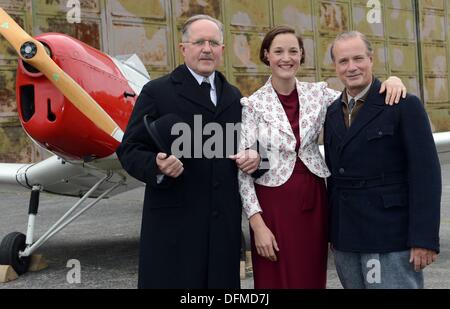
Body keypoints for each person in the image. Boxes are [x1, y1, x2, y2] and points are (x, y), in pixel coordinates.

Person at [238, 25, 407, 289]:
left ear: (301, 55)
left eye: (293, 51)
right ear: (266, 55)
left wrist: (392, 79)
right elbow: (243, 174)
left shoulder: (319, 95)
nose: (287, 58)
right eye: (279, 51)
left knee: (311, 278)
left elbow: (361, 94)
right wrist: (256, 224)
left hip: (314, 202)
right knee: (275, 280)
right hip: (273, 209)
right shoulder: (252, 104)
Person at [116, 14, 261, 289]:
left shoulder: (234, 97)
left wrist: (255, 155)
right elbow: (129, 149)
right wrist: (156, 164)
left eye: (213, 43)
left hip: (222, 232)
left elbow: (250, 146)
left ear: (222, 50)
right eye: (199, 42)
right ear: (184, 48)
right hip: (174, 231)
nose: (207, 48)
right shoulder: (157, 92)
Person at [324, 31, 441, 289]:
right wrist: (334, 232)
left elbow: (426, 176)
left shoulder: (402, 104)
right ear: (335, 66)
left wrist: (424, 238)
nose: (351, 67)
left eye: (358, 58)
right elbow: (334, 176)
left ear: (371, 59)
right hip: (347, 240)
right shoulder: (332, 112)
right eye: (343, 61)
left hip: (390, 236)